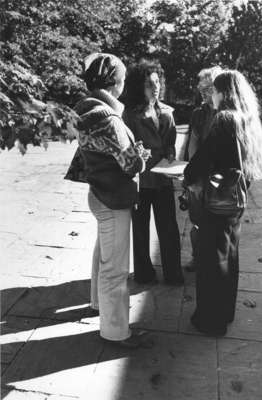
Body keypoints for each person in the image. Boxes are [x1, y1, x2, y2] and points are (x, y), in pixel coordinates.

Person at [69, 53, 151, 348]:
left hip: (99, 192)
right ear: (113, 82)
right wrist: (141, 156)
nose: (124, 84)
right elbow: (129, 165)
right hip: (114, 197)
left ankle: (96, 304)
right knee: (115, 269)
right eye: (122, 79)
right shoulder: (110, 118)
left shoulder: (85, 109)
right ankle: (115, 332)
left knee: (102, 255)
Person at [183, 70, 262, 336]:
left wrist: (187, 174)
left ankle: (211, 321)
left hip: (217, 201)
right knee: (229, 256)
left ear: (225, 92)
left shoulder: (224, 119)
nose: (212, 94)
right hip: (236, 199)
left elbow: (205, 159)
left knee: (212, 260)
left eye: (215, 90)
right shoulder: (248, 119)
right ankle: (225, 312)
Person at [123, 59, 184, 285]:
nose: (155, 87)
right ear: (140, 86)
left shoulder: (167, 112)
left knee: (168, 227)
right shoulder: (130, 114)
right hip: (140, 179)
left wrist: (170, 153)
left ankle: (173, 273)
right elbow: (127, 145)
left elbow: (170, 143)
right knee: (140, 230)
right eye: (149, 83)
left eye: (157, 82)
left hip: (163, 178)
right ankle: (143, 274)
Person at [185, 66, 222, 272]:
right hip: (200, 174)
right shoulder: (199, 114)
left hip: (219, 176)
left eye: (209, 89)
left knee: (217, 220)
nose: (205, 94)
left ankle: (215, 258)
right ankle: (197, 257)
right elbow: (193, 143)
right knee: (197, 219)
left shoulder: (226, 114)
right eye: (202, 90)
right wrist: (193, 176)